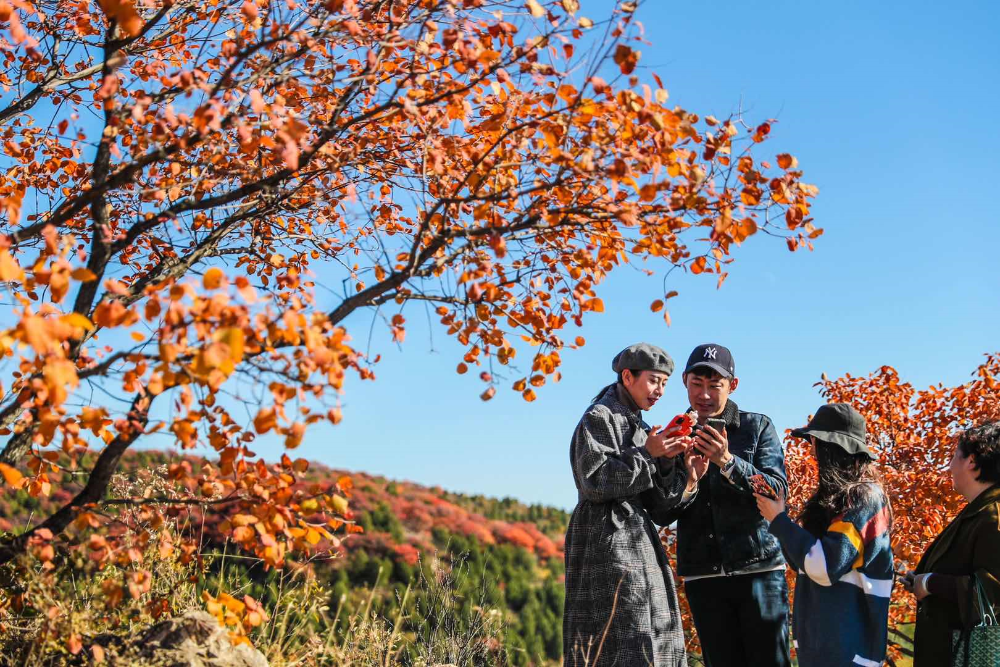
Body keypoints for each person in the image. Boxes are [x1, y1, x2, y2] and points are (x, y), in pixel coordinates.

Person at [563, 343, 708, 667]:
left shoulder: (643, 429)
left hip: (640, 543)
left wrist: (680, 470)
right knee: (622, 638)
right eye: (654, 380)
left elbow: (659, 509)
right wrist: (648, 454)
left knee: (651, 636)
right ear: (627, 376)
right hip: (606, 542)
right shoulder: (598, 417)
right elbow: (593, 481)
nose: (659, 391)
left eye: (665, 384)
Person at [657, 343, 791, 667]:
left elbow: (777, 492)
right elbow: (661, 513)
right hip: (703, 578)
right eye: (696, 385)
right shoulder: (674, 435)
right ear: (685, 381)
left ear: (732, 385)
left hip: (759, 570)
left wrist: (728, 462)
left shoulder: (756, 427)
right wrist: (689, 482)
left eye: (714, 386)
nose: (704, 395)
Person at [755, 403, 894, 667]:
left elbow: (825, 566)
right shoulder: (838, 499)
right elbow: (803, 564)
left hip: (848, 654)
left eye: (815, 442)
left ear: (832, 448)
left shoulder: (864, 498)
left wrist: (780, 521)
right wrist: (781, 520)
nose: (813, 451)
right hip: (826, 650)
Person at [901, 421, 1000, 666]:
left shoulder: (994, 516)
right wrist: (921, 580)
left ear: (972, 462)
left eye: (955, 456)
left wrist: (932, 582)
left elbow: (993, 593)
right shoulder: (976, 512)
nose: (949, 466)